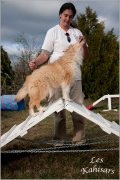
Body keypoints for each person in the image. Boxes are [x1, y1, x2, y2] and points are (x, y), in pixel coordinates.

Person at [29, 2, 89, 145]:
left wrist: (84, 44)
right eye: (65, 15)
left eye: (71, 16)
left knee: (78, 109)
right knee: (58, 109)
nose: (67, 19)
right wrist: (36, 62)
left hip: (75, 76)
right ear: (60, 15)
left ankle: (80, 140)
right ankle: (59, 141)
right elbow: (45, 54)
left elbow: (85, 56)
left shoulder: (77, 33)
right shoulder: (52, 32)